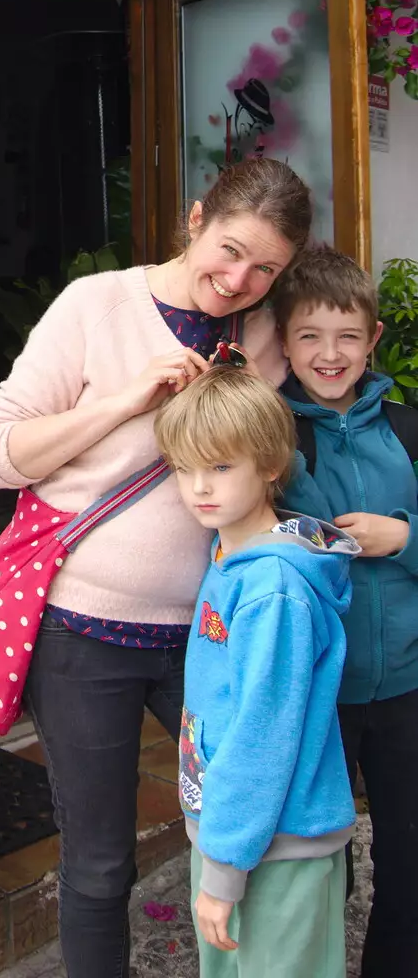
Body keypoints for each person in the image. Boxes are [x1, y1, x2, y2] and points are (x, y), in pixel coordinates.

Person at [0, 157, 312, 978]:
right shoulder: (97, 306)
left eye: (265, 267)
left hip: (209, 631)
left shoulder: (264, 330)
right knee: (97, 864)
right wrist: (125, 401)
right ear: (194, 219)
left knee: (253, 821)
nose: (238, 279)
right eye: (228, 250)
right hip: (82, 639)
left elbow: (328, 380)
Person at [155, 367, 358, 978]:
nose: (199, 488)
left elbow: (262, 734)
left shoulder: (272, 590)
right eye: (184, 467)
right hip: (233, 832)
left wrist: (223, 870)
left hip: (275, 843)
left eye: (220, 467)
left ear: (271, 465)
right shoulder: (230, 553)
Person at [275, 246, 418, 977]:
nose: (329, 355)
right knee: (323, 865)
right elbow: (248, 534)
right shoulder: (274, 435)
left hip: (405, 686)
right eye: (308, 336)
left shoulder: (406, 428)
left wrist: (404, 537)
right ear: (283, 340)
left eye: (347, 336)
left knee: (408, 857)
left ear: (372, 339)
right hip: (315, 693)